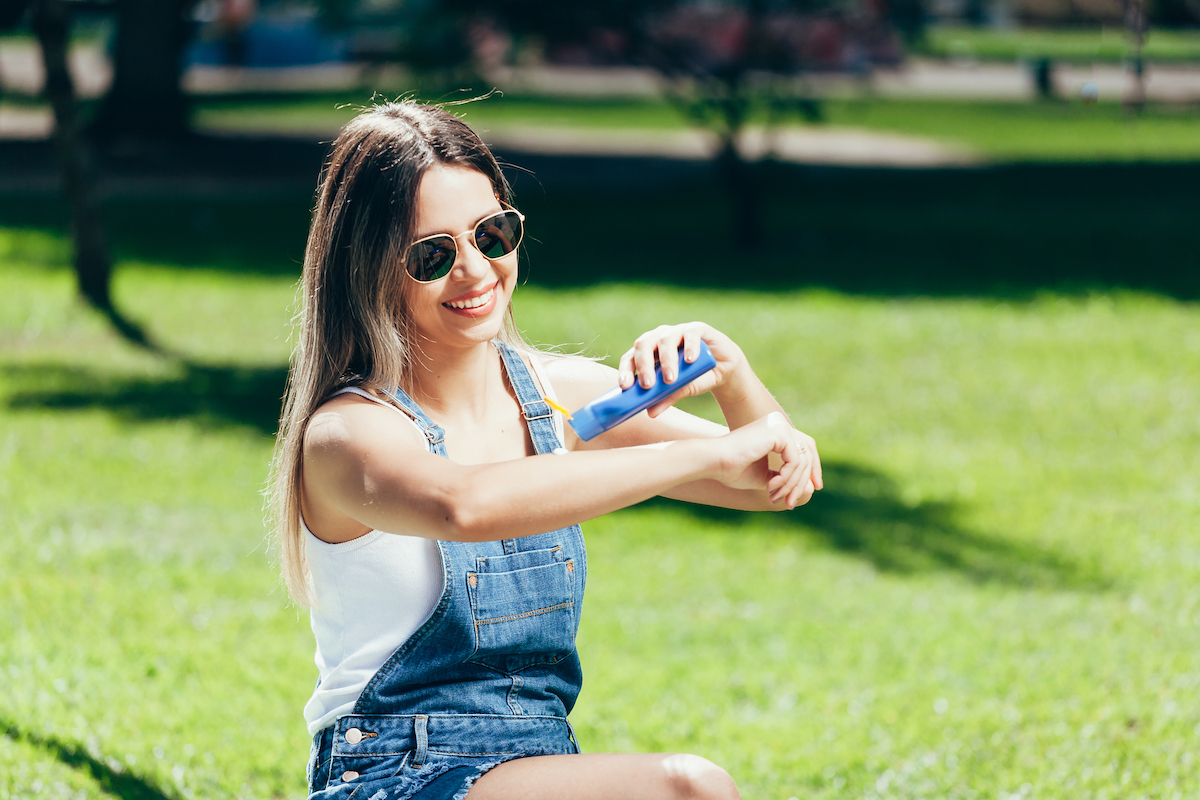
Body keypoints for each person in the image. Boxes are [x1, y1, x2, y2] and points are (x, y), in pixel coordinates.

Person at [269, 101, 823, 800]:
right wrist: (707, 455)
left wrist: (731, 371)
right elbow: (463, 504)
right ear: (369, 268)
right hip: (393, 775)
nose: (475, 271)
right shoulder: (348, 435)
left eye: (491, 234)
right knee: (688, 788)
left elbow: (772, 479)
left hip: (538, 767)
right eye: (432, 255)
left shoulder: (559, 400)